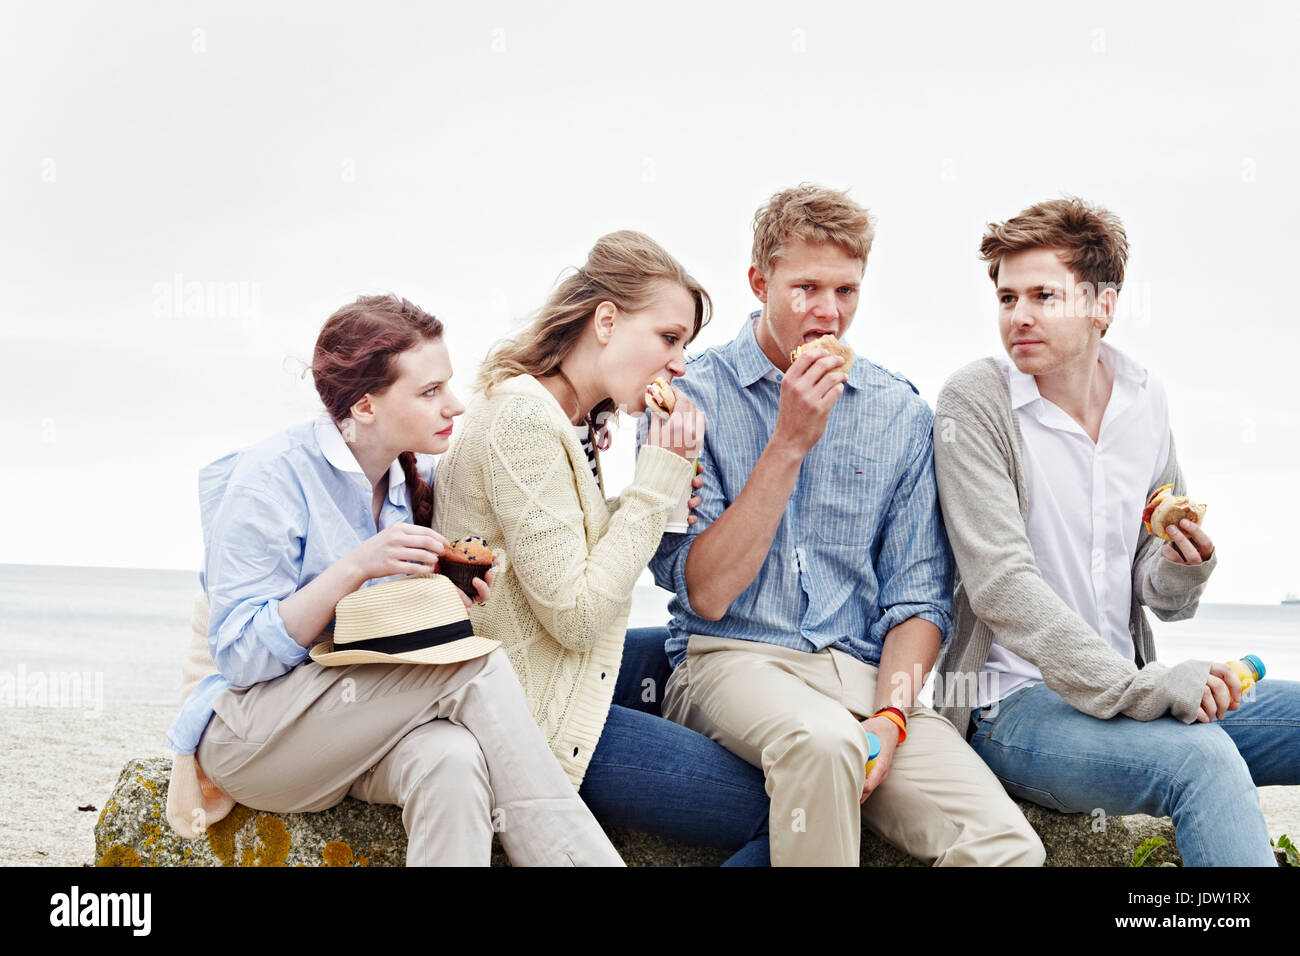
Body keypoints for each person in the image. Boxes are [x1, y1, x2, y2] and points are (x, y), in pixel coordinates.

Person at [647, 184, 1045, 867]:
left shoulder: (900, 412)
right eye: (805, 288)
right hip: (731, 659)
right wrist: (789, 442)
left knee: (1007, 846)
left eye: (847, 291)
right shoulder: (689, 396)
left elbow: (918, 599)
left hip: (866, 679)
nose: (828, 313)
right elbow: (705, 593)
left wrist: (892, 716)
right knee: (824, 743)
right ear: (758, 281)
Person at [163, 293, 623, 866]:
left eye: (448, 385)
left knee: (453, 761)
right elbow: (239, 658)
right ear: (363, 407)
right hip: (253, 737)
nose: (454, 405)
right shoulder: (270, 480)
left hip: (353, 728)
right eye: (430, 392)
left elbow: (374, 643)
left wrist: (445, 598)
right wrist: (356, 567)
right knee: (474, 664)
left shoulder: (413, 479)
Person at [931, 197, 1300, 866]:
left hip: (1128, 693)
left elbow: (1157, 589)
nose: (1019, 315)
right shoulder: (977, 401)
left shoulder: (1144, 399)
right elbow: (1002, 588)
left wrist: (1183, 565)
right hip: (1016, 709)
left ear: (1103, 305)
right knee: (1204, 763)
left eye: (1043, 294)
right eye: (1007, 296)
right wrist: (1147, 689)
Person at [434, 231, 772, 865]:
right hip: (537, 717)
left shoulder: (563, 414)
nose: (679, 364)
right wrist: (651, 489)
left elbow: (562, 552)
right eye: (669, 338)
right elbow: (578, 615)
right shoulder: (523, 421)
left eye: (686, 346)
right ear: (607, 321)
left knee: (703, 656)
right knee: (785, 808)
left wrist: (647, 494)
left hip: (551, 671)